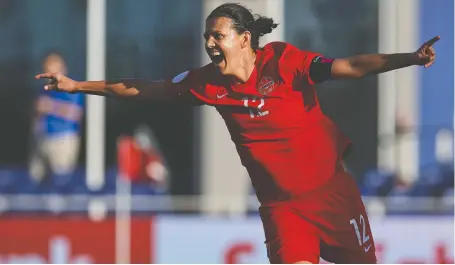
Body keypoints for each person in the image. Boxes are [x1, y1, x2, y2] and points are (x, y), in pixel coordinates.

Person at [35, 3, 439, 264]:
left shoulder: (284, 60)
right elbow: (146, 88)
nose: (210, 44)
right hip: (283, 210)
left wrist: (409, 59)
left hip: (333, 194)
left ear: (245, 39)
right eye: (207, 37)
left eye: (219, 36)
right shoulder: (207, 83)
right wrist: (78, 86)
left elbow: (351, 66)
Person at [30, 51, 84, 182]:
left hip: (63, 139)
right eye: (47, 65)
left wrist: (51, 106)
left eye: (53, 64)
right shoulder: (43, 88)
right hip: (42, 138)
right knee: (36, 178)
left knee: (61, 179)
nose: (49, 68)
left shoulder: (71, 86)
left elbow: (76, 113)